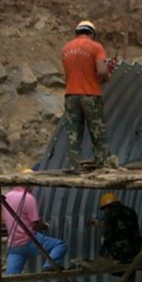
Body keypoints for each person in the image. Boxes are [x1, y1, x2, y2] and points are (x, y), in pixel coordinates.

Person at [0, 184, 67, 282]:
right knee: (60, 245)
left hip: (14, 244)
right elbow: (35, 223)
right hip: (29, 240)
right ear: (28, 185)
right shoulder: (29, 198)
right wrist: (46, 226)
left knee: (10, 279)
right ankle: (49, 265)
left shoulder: (6, 197)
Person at [61, 20, 117, 174]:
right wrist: (107, 74)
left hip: (71, 95)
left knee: (73, 132)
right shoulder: (95, 47)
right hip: (90, 94)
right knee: (97, 130)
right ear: (92, 33)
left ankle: (73, 165)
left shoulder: (65, 49)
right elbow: (101, 71)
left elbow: (75, 73)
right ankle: (103, 163)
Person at [97, 192, 142, 282]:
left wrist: (104, 244)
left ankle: (119, 273)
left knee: (104, 256)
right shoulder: (130, 211)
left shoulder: (109, 215)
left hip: (120, 251)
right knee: (130, 266)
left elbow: (108, 235)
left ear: (107, 207)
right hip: (136, 249)